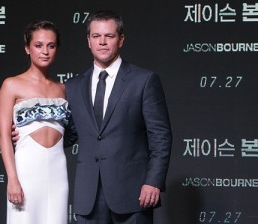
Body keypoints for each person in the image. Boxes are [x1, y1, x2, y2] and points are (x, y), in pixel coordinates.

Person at [13, 10, 172, 224]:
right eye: (96, 36)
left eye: (109, 36)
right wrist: (29, 133)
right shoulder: (75, 85)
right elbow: (70, 133)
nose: (103, 42)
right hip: (88, 198)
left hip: (132, 195)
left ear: (121, 40)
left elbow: (160, 137)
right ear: (88, 41)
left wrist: (153, 182)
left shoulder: (144, 80)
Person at [0, 20, 71, 224]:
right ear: (27, 48)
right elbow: (4, 136)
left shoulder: (63, 89)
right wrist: (12, 178)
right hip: (26, 170)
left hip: (58, 171)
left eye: (51, 45)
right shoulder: (12, 85)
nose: (45, 51)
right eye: (38, 45)